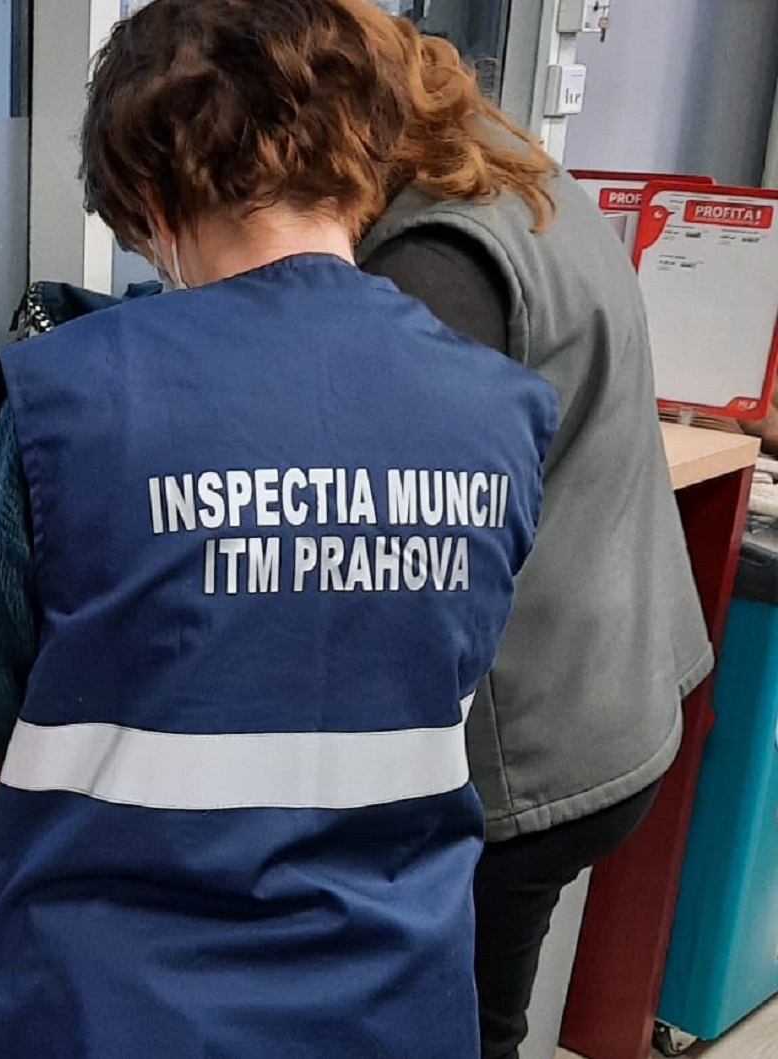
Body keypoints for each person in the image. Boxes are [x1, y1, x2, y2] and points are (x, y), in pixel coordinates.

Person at [0, 1, 557, 1056]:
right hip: (389, 1001)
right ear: (363, 166)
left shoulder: (67, 397)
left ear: (152, 196)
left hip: (117, 1010)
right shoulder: (501, 411)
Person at [343, 7, 713, 1058]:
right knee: (478, 1022)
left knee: (452, 1032)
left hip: (525, 743)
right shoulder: (504, 170)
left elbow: (401, 556)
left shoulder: (431, 258)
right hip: (615, 691)